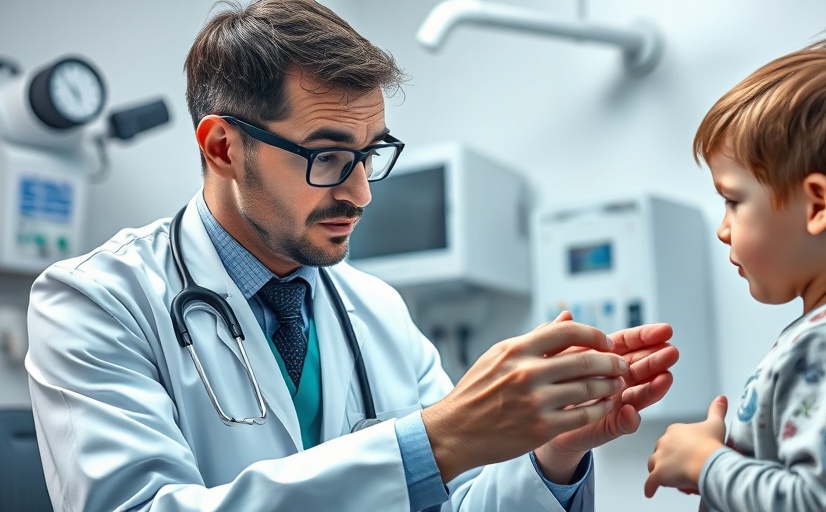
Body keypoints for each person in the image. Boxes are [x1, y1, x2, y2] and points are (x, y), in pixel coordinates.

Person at [25, 1, 680, 510]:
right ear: (223, 147)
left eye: (369, 155)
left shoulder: (377, 308)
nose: (360, 192)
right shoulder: (94, 300)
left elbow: (456, 500)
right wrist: (435, 439)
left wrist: (552, 456)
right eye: (327, 156)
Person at [643, 27, 826, 511]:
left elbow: (822, 503)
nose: (723, 229)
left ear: (817, 205)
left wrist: (706, 463)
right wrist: (737, 462)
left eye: (734, 201)